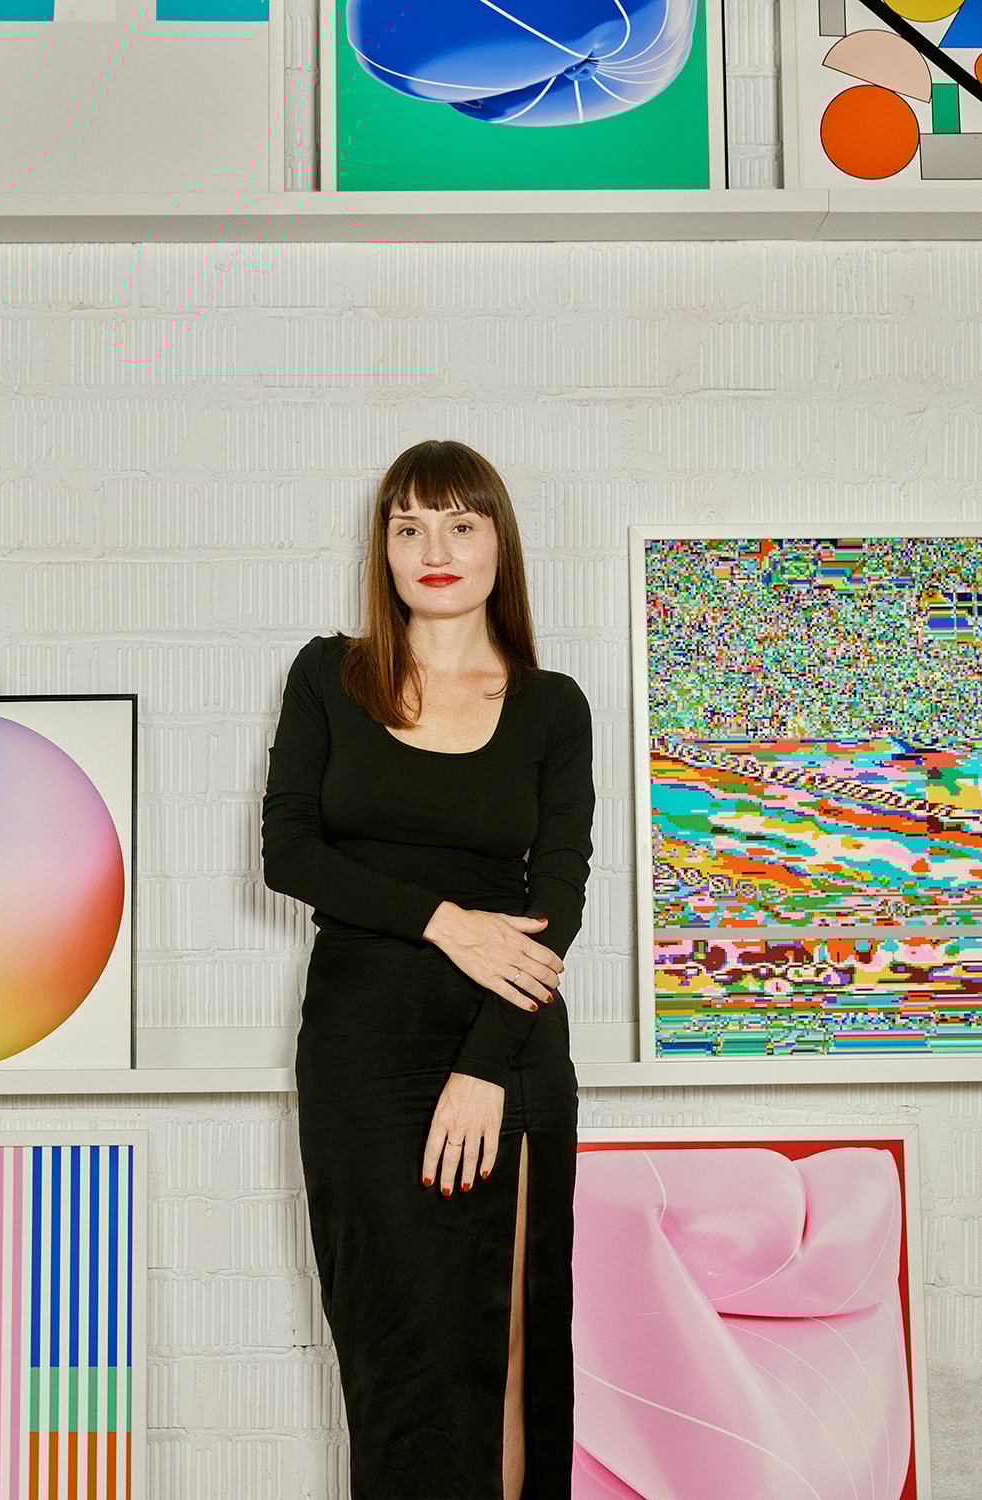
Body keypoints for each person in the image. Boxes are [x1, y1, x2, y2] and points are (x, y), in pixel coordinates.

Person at [262, 438, 596, 1500]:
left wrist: (485, 1068)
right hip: (360, 1053)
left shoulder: (551, 706)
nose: (434, 549)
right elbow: (289, 853)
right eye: (408, 526)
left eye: (460, 523)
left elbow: (558, 902)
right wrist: (445, 921)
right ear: (384, 548)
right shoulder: (328, 675)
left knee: (502, 1352)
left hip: (503, 1047)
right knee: (394, 1357)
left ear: (500, 543)